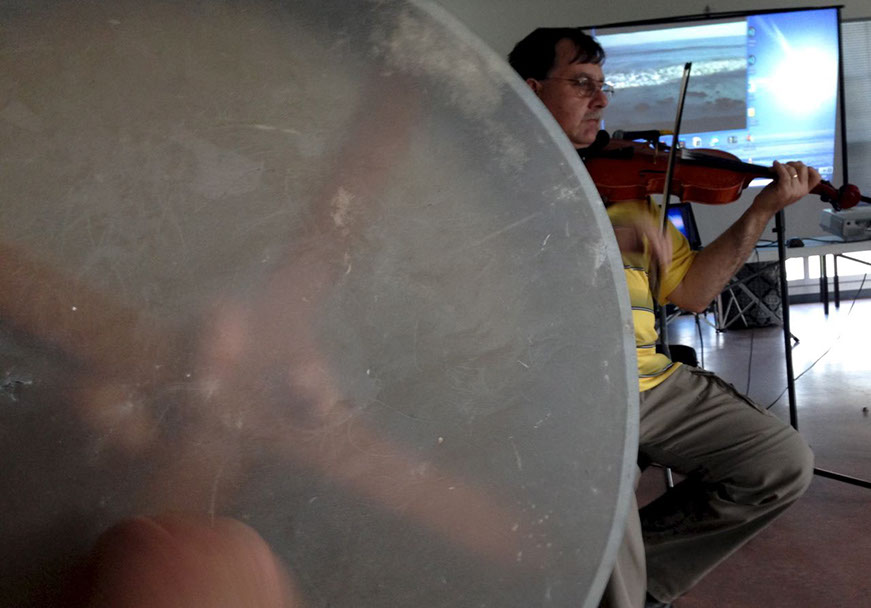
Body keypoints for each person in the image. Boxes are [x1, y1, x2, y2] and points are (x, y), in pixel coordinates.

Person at [509, 28, 816, 608]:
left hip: (648, 380)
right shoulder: (496, 178)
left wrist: (761, 210)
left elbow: (694, 293)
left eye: (603, 86)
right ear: (531, 89)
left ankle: (632, 580)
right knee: (605, 505)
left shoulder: (627, 188)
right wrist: (604, 239)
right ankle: (611, 580)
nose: (601, 100)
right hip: (563, 390)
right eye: (582, 84)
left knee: (779, 463)